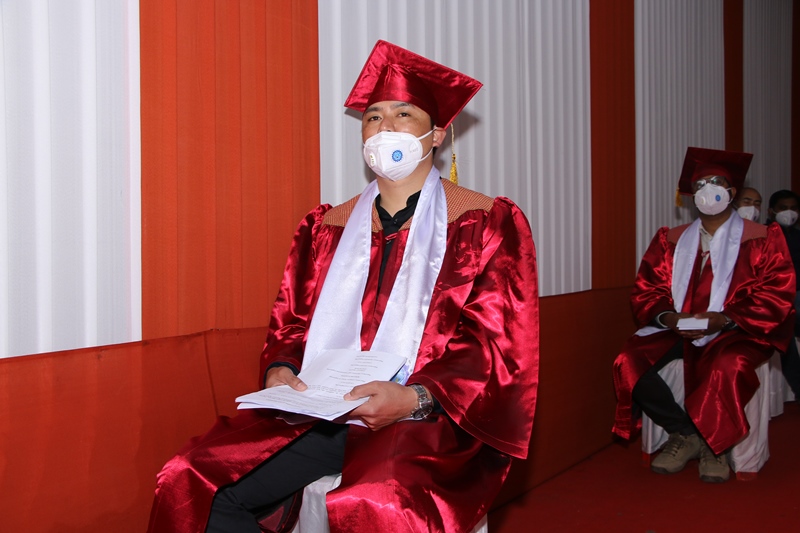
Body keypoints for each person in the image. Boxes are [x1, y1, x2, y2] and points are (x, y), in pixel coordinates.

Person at [147, 40, 539, 533]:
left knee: (378, 501)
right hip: (321, 410)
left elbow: (494, 343)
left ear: (437, 134)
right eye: (373, 117)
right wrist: (282, 368)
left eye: (403, 114)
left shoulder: (483, 222)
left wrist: (417, 397)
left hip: (427, 416)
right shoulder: (326, 227)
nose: (384, 127)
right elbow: (292, 322)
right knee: (191, 478)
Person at [612, 147, 795, 484]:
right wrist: (669, 318)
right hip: (679, 326)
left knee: (727, 364)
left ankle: (716, 445)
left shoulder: (762, 238)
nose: (707, 190)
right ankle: (685, 432)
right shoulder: (671, 240)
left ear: (732, 192)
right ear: (691, 195)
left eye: (717, 182)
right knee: (628, 362)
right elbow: (647, 289)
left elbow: (776, 292)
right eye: (699, 185)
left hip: (740, 329)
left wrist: (723, 319)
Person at [766, 189, 800, 399]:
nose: (789, 212)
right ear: (771, 211)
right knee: (785, 329)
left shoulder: (797, 236)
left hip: (795, 294)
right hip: (774, 298)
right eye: (783, 208)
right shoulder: (763, 235)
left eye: (793, 208)